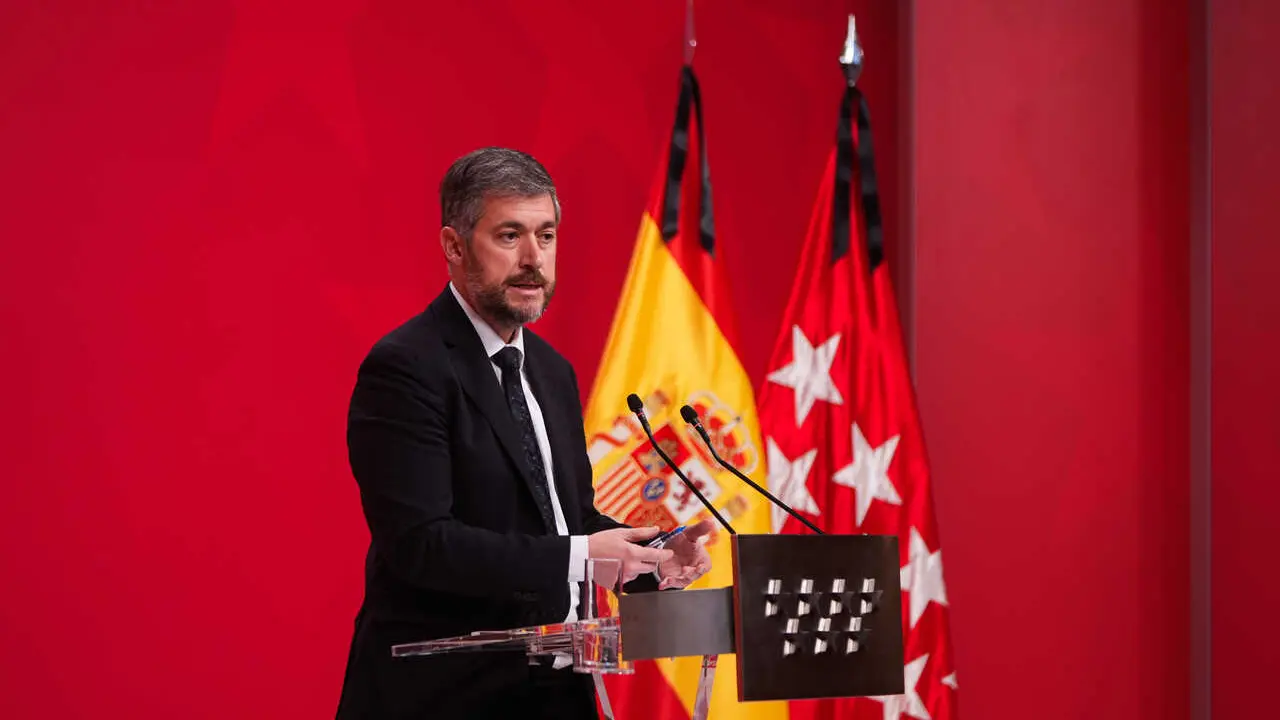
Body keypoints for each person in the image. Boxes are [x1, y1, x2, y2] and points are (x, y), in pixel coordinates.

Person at [335, 147, 714, 719]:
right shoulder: (406, 368)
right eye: (509, 236)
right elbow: (421, 545)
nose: (534, 259)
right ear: (454, 247)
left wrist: (652, 555)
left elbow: (567, 521)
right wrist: (582, 553)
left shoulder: (551, 371)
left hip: (555, 694)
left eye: (547, 235)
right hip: (443, 697)